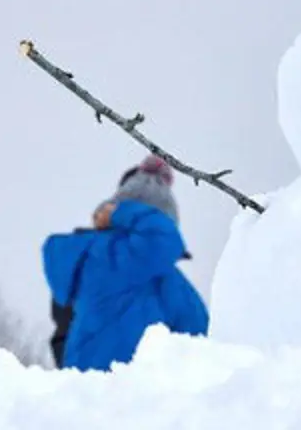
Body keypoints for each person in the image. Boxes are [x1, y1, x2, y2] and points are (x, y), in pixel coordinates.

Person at [42, 155, 209, 371]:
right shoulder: (120, 258)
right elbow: (202, 339)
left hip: (87, 385)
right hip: (129, 388)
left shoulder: (84, 258)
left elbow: (63, 330)